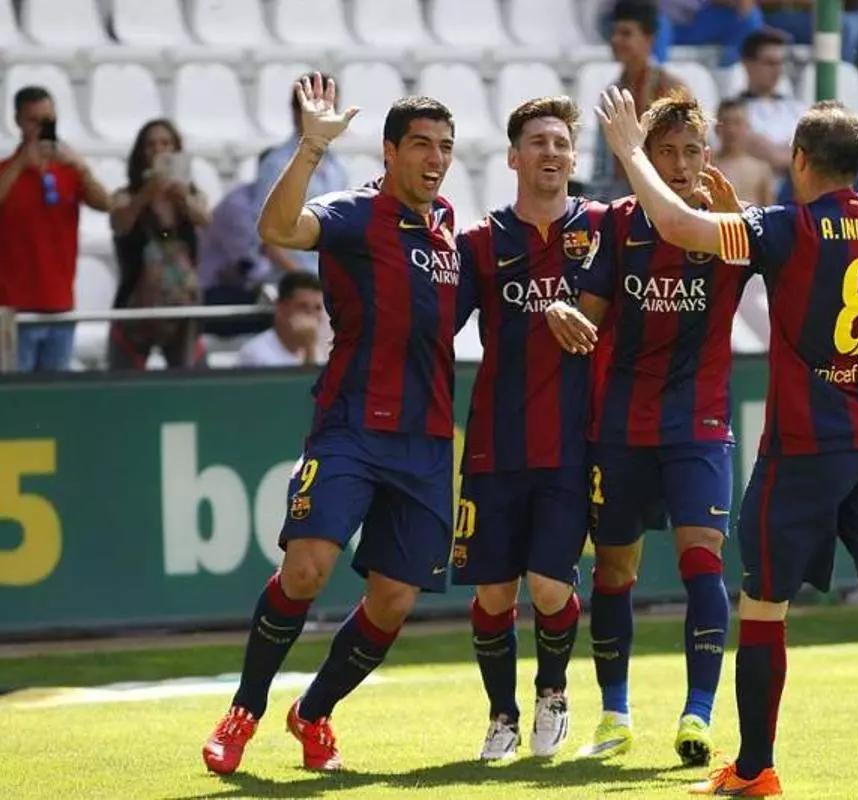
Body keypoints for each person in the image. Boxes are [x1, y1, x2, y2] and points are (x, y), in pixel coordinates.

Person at [592, 86, 858, 796]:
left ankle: (756, 769)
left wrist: (631, 151)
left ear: (798, 160)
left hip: (801, 448)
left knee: (764, 605)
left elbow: (673, 225)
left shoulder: (785, 229)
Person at [201, 75, 461, 774]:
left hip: (429, 439)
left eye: (445, 147)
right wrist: (312, 148)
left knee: (394, 598)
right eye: (421, 146)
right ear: (389, 151)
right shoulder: (351, 214)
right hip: (350, 427)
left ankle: (312, 714)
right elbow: (278, 229)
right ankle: (244, 711)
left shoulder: (448, 231)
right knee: (308, 567)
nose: (435, 159)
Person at [545, 92, 746, 768]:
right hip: (622, 424)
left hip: (699, 422)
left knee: (702, 561)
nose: (683, 163)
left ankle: (698, 713)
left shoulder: (729, 227)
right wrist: (565, 312)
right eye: (667, 151)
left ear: (706, 157)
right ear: (646, 158)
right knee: (615, 570)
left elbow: (764, 266)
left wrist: (733, 214)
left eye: (692, 151)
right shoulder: (618, 226)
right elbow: (590, 313)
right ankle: (615, 712)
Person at [452, 96, 607, 762]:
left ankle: (553, 692)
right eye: (537, 142)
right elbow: (436, 327)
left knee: (549, 585)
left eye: (560, 143)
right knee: (492, 591)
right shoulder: (481, 244)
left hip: (571, 443)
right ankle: (501, 715)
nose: (550, 153)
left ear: (574, 159)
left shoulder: (602, 230)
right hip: (494, 440)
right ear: (513, 158)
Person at [0, 86, 110, 372]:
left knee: (52, 395)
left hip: (60, 305)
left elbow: (106, 204)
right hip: (14, 307)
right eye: (34, 120)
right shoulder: (6, 170)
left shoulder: (69, 171)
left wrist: (81, 167)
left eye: (48, 119)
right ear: (19, 122)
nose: (42, 127)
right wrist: (22, 164)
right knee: (16, 398)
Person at [108, 119, 212, 370]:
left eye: (165, 144)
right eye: (151, 145)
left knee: (192, 380)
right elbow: (120, 223)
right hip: (136, 305)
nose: (158, 151)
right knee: (124, 384)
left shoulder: (189, 195)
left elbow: (205, 220)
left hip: (181, 308)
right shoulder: (126, 195)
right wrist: (146, 194)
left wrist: (181, 199)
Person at [253, 71, 349, 277]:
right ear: (298, 112)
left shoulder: (338, 166)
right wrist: (306, 282)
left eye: (332, 109)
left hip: (330, 285)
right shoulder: (276, 164)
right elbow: (268, 236)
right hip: (291, 287)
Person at [591, 1, 686, 201]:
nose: (616, 39)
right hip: (620, 194)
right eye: (614, 33)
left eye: (626, 33)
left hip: (666, 191)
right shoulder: (612, 92)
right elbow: (603, 164)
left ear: (648, 39)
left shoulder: (671, 89)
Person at [735, 29, 806, 178]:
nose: (777, 70)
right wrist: (794, 151)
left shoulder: (797, 108)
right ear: (748, 64)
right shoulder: (734, 112)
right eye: (769, 63)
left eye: (780, 63)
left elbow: (816, 152)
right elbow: (776, 158)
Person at [236, 270, 323, 367]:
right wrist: (309, 348)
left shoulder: (325, 350)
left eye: (318, 308)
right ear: (281, 307)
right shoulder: (255, 353)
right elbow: (308, 382)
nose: (311, 315)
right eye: (302, 306)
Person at [656, 0, 765, 69]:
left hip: (700, 19)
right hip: (664, 21)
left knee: (751, 18)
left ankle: (729, 73)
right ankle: (653, 81)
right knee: (654, 24)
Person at [713, 98, 775, 206]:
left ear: (747, 127)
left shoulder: (761, 169)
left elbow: (768, 214)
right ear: (716, 128)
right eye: (725, 123)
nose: (731, 129)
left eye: (737, 123)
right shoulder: (706, 165)